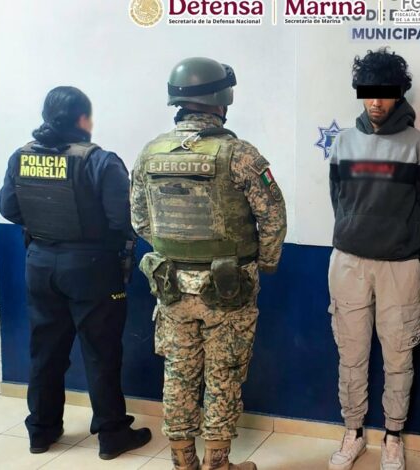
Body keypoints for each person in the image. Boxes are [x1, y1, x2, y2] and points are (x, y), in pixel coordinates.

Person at [130, 57, 287, 470]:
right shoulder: (240, 154)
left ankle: (183, 462)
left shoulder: (150, 153)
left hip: (171, 287)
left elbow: (140, 220)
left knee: (178, 373)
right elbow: (273, 216)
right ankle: (218, 463)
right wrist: (265, 263)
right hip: (228, 289)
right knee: (224, 373)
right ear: (222, 100)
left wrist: (177, 251)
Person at [0, 86, 151, 459]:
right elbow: (124, 220)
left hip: (40, 264)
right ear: (83, 119)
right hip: (92, 269)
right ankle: (112, 435)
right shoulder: (100, 161)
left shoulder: (22, 156)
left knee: (46, 351)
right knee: (101, 352)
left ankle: (41, 431)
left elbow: (9, 208)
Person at [326, 48, 420, 470]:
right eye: (368, 92)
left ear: (399, 94)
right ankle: (353, 432)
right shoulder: (343, 142)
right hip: (348, 263)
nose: (375, 101)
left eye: (385, 93)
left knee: (399, 353)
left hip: (400, 266)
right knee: (351, 353)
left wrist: (403, 238)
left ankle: (393, 436)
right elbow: (339, 197)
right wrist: (355, 229)